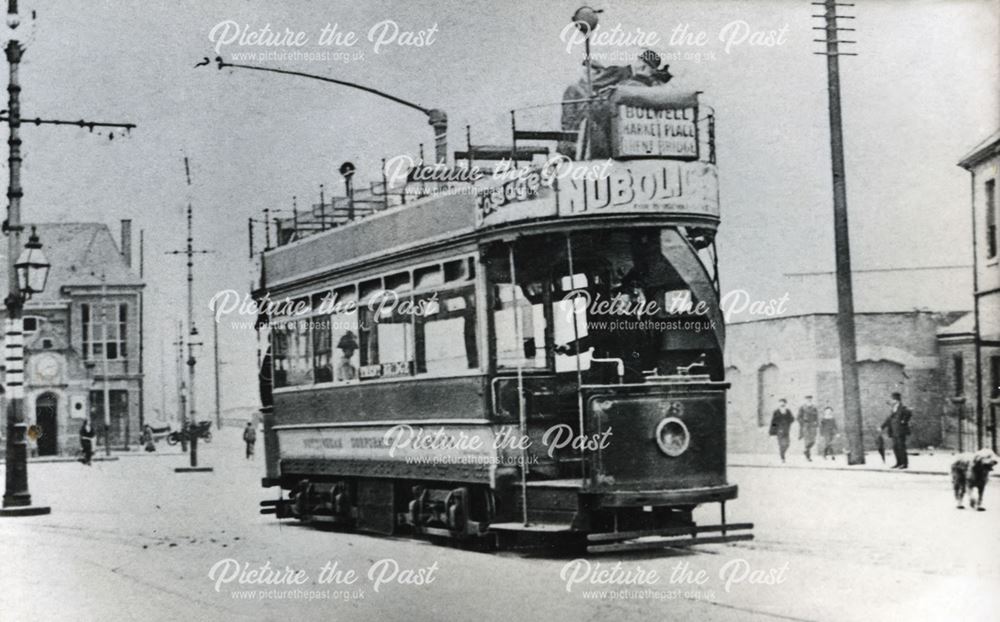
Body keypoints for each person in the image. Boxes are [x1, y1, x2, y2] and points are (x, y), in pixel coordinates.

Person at [881, 392, 912, 469]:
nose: (891, 401)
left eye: (892, 399)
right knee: (896, 447)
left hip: (900, 431)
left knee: (901, 447)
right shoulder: (894, 408)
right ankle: (898, 462)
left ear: (896, 400)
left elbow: (908, 413)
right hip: (894, 431)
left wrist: (904, 421)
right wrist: (882, 427)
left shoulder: (902, 408)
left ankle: (904, 463)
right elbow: (889, 419)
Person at [768, 399, 795, 463]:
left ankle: (782, 454)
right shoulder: (776, 412)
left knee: (787, 444)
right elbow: (773, 422)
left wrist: (788, 420)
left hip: (786, 430)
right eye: (781, 403)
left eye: (783, 403)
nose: (782, 405)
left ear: (785, 404)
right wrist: (772, 432)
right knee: (781, 444)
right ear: (779, 404)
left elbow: (792, 419)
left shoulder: (788, 411)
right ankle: (782, 457)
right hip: (779, 430)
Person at [797, 395, 819, 461]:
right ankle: (808, 457)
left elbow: (817, 416)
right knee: (807, 441)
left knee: (813, 441)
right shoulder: (802, 407)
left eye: (810, 399)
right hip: (806, 425)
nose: (809, 400)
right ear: (805, 399)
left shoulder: (814, 407)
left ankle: (806, 450)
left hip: (812, 425)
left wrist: (816, 423)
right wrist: (803, 423)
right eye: (807, 399)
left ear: (811, 399)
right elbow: (798, 417)